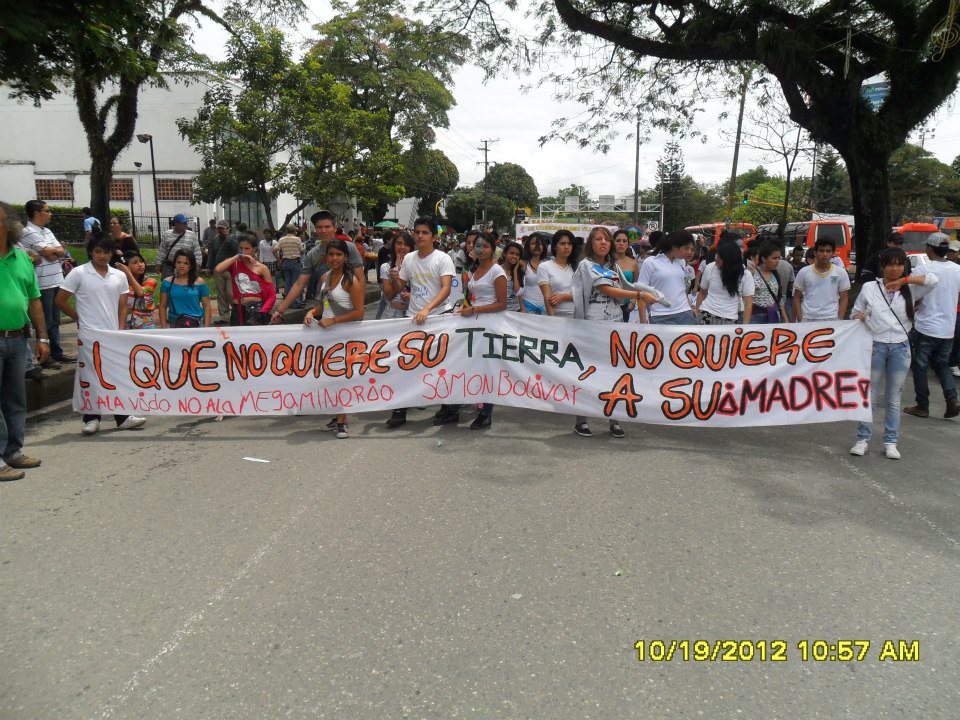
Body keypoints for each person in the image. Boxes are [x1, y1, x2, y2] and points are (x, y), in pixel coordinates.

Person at [572, 226, 661, 438]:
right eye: (598, 239)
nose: (603, 243)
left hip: (615, 321)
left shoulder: (614, 266)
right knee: (589, 371)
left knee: (616, 370)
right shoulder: (586, 265)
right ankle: (581, 420)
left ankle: (615, 419)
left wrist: (649, 293)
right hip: (592, 323)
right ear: (591, 244)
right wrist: (640, 295)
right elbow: (606, 288)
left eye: (606, 239)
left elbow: (627, 285)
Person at [850, 248, 938, 459]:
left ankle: (890, 442)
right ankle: (862, 439)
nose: (895, 268)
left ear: (905, 267)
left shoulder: (911, 288)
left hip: (900, 347)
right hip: (875, 346)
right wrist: (859, 316)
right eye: (890, 264)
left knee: (893, 398)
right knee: (869, 396)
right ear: (882, 266)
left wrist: (904, 281)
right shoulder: (870, 287)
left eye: (899, 264)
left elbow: (933, 280)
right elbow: (855, 312)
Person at [55, 232, 146, 436]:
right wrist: (78, 317)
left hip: (112, 333)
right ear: (90, 252)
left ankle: (122, 416)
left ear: (112, 253)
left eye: (106, 252)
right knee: (91, 375)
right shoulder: (79, 273)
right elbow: (60, 300)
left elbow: (123, 306)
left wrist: (120, 330)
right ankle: (91, 418)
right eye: (98, 252)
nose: (102, 256)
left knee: (115, 374)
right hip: (89, 333)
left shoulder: (119, 275)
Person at [384, 217, 457, 428]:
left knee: (442, 365)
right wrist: (395, 277)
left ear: (434, 237)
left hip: (439, 318)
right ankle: (400, 410)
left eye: (424, 233)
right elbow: (399, 287)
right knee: (407, 364)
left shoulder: (443, 259)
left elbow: (446, 289)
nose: (419, 236)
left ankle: (449, 408)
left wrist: (427, 309)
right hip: (413, 320)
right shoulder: (409, 258)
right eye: (417, 232)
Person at [0, 200, 49, 481]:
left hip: (18, 339)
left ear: (9, 226)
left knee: (15, 399)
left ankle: (13, 451)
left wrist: (42, 337)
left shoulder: (22, 259)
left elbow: (34, 300)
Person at [304, 239, 365, 439]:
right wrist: (312, 312)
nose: (334, 258)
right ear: (325, 257)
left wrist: (334, 320)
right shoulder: (325, 277)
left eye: (339, 254)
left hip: (346, 335)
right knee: (331, 378)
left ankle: (341, 421)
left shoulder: (351, 280)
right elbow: (323, 304)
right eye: (331, 254)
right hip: (327, 336)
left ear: (346, 257)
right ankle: (338, 415)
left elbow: (359, 312)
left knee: (342, 377)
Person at [901, 232, 960, 419]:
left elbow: (913, 297)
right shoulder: (957, 270)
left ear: (929, 249)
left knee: (919, 366)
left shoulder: (923, 269)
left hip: (926, 326)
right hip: (948, 328)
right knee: (942, 364)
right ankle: (952, 399)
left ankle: (922, 405)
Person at [269, 211, 365, 322]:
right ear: (315, 230)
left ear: (334, 228)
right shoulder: (312, 254)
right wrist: (280, 310)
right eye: (320, 227)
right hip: (322, 307)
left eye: (327, 227)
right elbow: (300, 283)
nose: (323, 231)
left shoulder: (349, 248)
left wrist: (359, 309)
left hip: (347, 311)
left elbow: (360, 279)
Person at [456, 233, 508, 429]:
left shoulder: (497, 272)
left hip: (491, 325)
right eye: (478, 245)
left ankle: (486, 413)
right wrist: (464, 308)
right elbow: (471, 295)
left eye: (486, 246)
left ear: (493, 249)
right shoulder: (475, 269)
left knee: (488, 369)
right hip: (473, 324)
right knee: (473, 366)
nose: (481, 249)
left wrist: (475, 309)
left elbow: (502, 304)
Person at [20, 199, 75, 367]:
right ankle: (45, 356)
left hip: (57, 280)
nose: (50, 214)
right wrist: (53, 252)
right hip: (42, 283)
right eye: (47, 211)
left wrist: (53, 252)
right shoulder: (27, 232)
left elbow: (60, 251)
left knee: (55, 320)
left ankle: (57, 352)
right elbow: (48, 252)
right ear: (37, 213)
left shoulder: (48, 231)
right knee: (44, 321)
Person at [636, 229, 698, 324]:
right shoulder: (650, 262)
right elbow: (641, 292)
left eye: (691, 249)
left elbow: (681, 289)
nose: (690, 252)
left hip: (685, 313)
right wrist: (643, 323)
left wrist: (691, 306)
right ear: (674, 246)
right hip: (660, 315)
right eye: (686, 248)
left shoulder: (682, 262)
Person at [215, 231, 276, 325]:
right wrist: (237, 256)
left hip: (256, 309)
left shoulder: (262, 268)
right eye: (240, 248)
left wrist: (262, 312)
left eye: (247, 248)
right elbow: (218, 269)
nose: (243, 251)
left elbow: (271, 295)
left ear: (254, 249)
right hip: (238, 308)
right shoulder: (235, 263)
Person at [695, 240, 755, 325]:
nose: (716, 258)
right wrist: (697, 311)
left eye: (720, 257)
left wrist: (745, 326)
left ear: (729, 261)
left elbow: (748, 302)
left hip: (729, 320)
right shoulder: (710, 268)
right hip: (706, 314)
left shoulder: (745, 275)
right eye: (717, 254)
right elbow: (702, 293)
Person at [792, 238, 850, 322]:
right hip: (808, 318)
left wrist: (839, 319)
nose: (825, 254)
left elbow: (844, 298)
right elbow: (796, 297)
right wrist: (800, 319)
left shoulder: (841, 272)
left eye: (828, 251)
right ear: (815, 253)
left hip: (831, 318)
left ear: (833, 253)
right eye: (821, 251)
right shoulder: (804, 272)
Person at [158, 250, 212, 328]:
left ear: (191, 265)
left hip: (195, 324)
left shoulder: (200, 282)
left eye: (186, 263)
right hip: (175, 324)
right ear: (175, 263)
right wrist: (164, 328)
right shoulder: (166, 283)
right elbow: (162, 306)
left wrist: (206, 328)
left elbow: (206, 306)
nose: (181, 266)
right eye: (178, 262)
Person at [538, 230, 579, 318]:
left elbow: (582, 294)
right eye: (562, 243)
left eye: (569, 244)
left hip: (574, 316)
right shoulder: (544, 267)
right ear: (554, 247)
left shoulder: (577, 268)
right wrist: (553, 320)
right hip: (554, 316)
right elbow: (547, 296)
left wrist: (563, 297)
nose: (566, 247)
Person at [206, 219, 238, 325]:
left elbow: (236, 250)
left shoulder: (233, 238)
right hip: (218, 269)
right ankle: (224, 317)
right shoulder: (215, 239)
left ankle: (237, 313)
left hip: (230, 270)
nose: (220, 230)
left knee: (230, 294)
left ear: (228, 229)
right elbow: (211, 254)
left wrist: (227, 238)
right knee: (221, 295)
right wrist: (208, 267)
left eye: (222, 228)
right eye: (219, 228)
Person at [750, 242, 788, 323]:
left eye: (778, 258)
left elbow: (779, 298)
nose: (777, 261)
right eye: (774, 258)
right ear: (764, 259)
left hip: (774, 316)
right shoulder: (752, 273)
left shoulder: (776, 275)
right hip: (755, 318)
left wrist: (785, 318)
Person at [118, 251, 156, 329]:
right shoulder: (120, 283)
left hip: (145, 327)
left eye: (141, 261)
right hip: (125, 326)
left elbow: (140, 293)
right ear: (126, 266)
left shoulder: (150, 281)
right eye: (135, 263)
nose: (140, 264)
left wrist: (128, 273)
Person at [379, 231, 413, 319]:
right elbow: (389, 296)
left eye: (406, 244)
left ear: (411, 248)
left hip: (414, 313)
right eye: (399, 243)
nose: (402, 247)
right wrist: (395, 277)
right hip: (393, 314)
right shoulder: (386, 267)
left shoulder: (417, 266)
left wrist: (412, 296)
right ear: (393, 245)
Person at [158, 213, 202, 278]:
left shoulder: (192, 235)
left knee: (186, 282)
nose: (186, 225)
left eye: (186, 223)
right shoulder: (167, 234)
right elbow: (162, 251)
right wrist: (158, 264)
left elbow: (197, 251)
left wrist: (198, 264)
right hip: (170, 266)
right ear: (176, 224)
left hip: (186, 266)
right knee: (168, 283)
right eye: (183, 223)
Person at [613, 229, 640, 321]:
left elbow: (637, 285)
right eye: (618, 240)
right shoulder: (606, 261)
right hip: (608, 305)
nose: (621, 243)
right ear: (613, 243)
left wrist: (632, 303)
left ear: (628, 244)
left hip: (626, 307)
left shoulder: (633, 263)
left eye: (624, 241)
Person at [273, 224, 304, 301]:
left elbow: (274, 250)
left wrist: (279, 260)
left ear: (287, 231)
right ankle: (296, 302)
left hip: (285, 262)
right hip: (295, 262)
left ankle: (288, 300)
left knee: (287, 282)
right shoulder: (297, 239)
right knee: (296, 282)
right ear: (294, 231)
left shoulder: (282, 239)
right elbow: (302, 251)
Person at [518, 233, 547, 314]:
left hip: (544, 308)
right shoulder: (523, 264)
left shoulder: (547, 265)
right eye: (533, 243)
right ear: (528, 246)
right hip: (527, 307)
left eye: (540, 244)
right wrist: (522, 308)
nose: (537, 246)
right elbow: (518, 288)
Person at [499, 241, 523, 312]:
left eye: (517, 254)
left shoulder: (520, 272)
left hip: (515, 311)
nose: (514, 256)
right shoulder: (497, 269)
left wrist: (515, 272)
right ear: (504, 254)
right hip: (500, 311)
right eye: (511, 253)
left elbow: (518, 292)